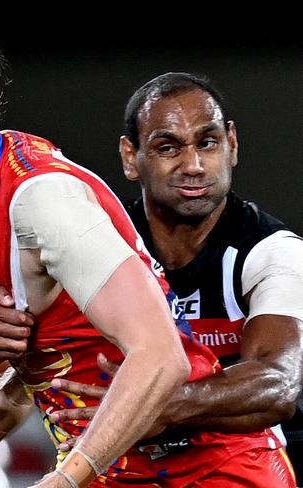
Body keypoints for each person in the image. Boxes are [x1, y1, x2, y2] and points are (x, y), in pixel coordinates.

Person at [0, 4, 295, 487]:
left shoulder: (41, 199)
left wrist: (67, 478)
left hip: (206, 472)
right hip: (120, 468)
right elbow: (68, 329)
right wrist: (10, 395)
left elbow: (160, 356)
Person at [48, 71, 303, 479]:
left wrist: (158, 404)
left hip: (251, 466)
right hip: (128, 467)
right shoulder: (99, 243)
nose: (194, 166)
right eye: (168, 147)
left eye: (208, 143)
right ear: (131, 157)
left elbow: (278, 386)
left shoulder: (274, 251)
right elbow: (35, 342)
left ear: (232, 144)